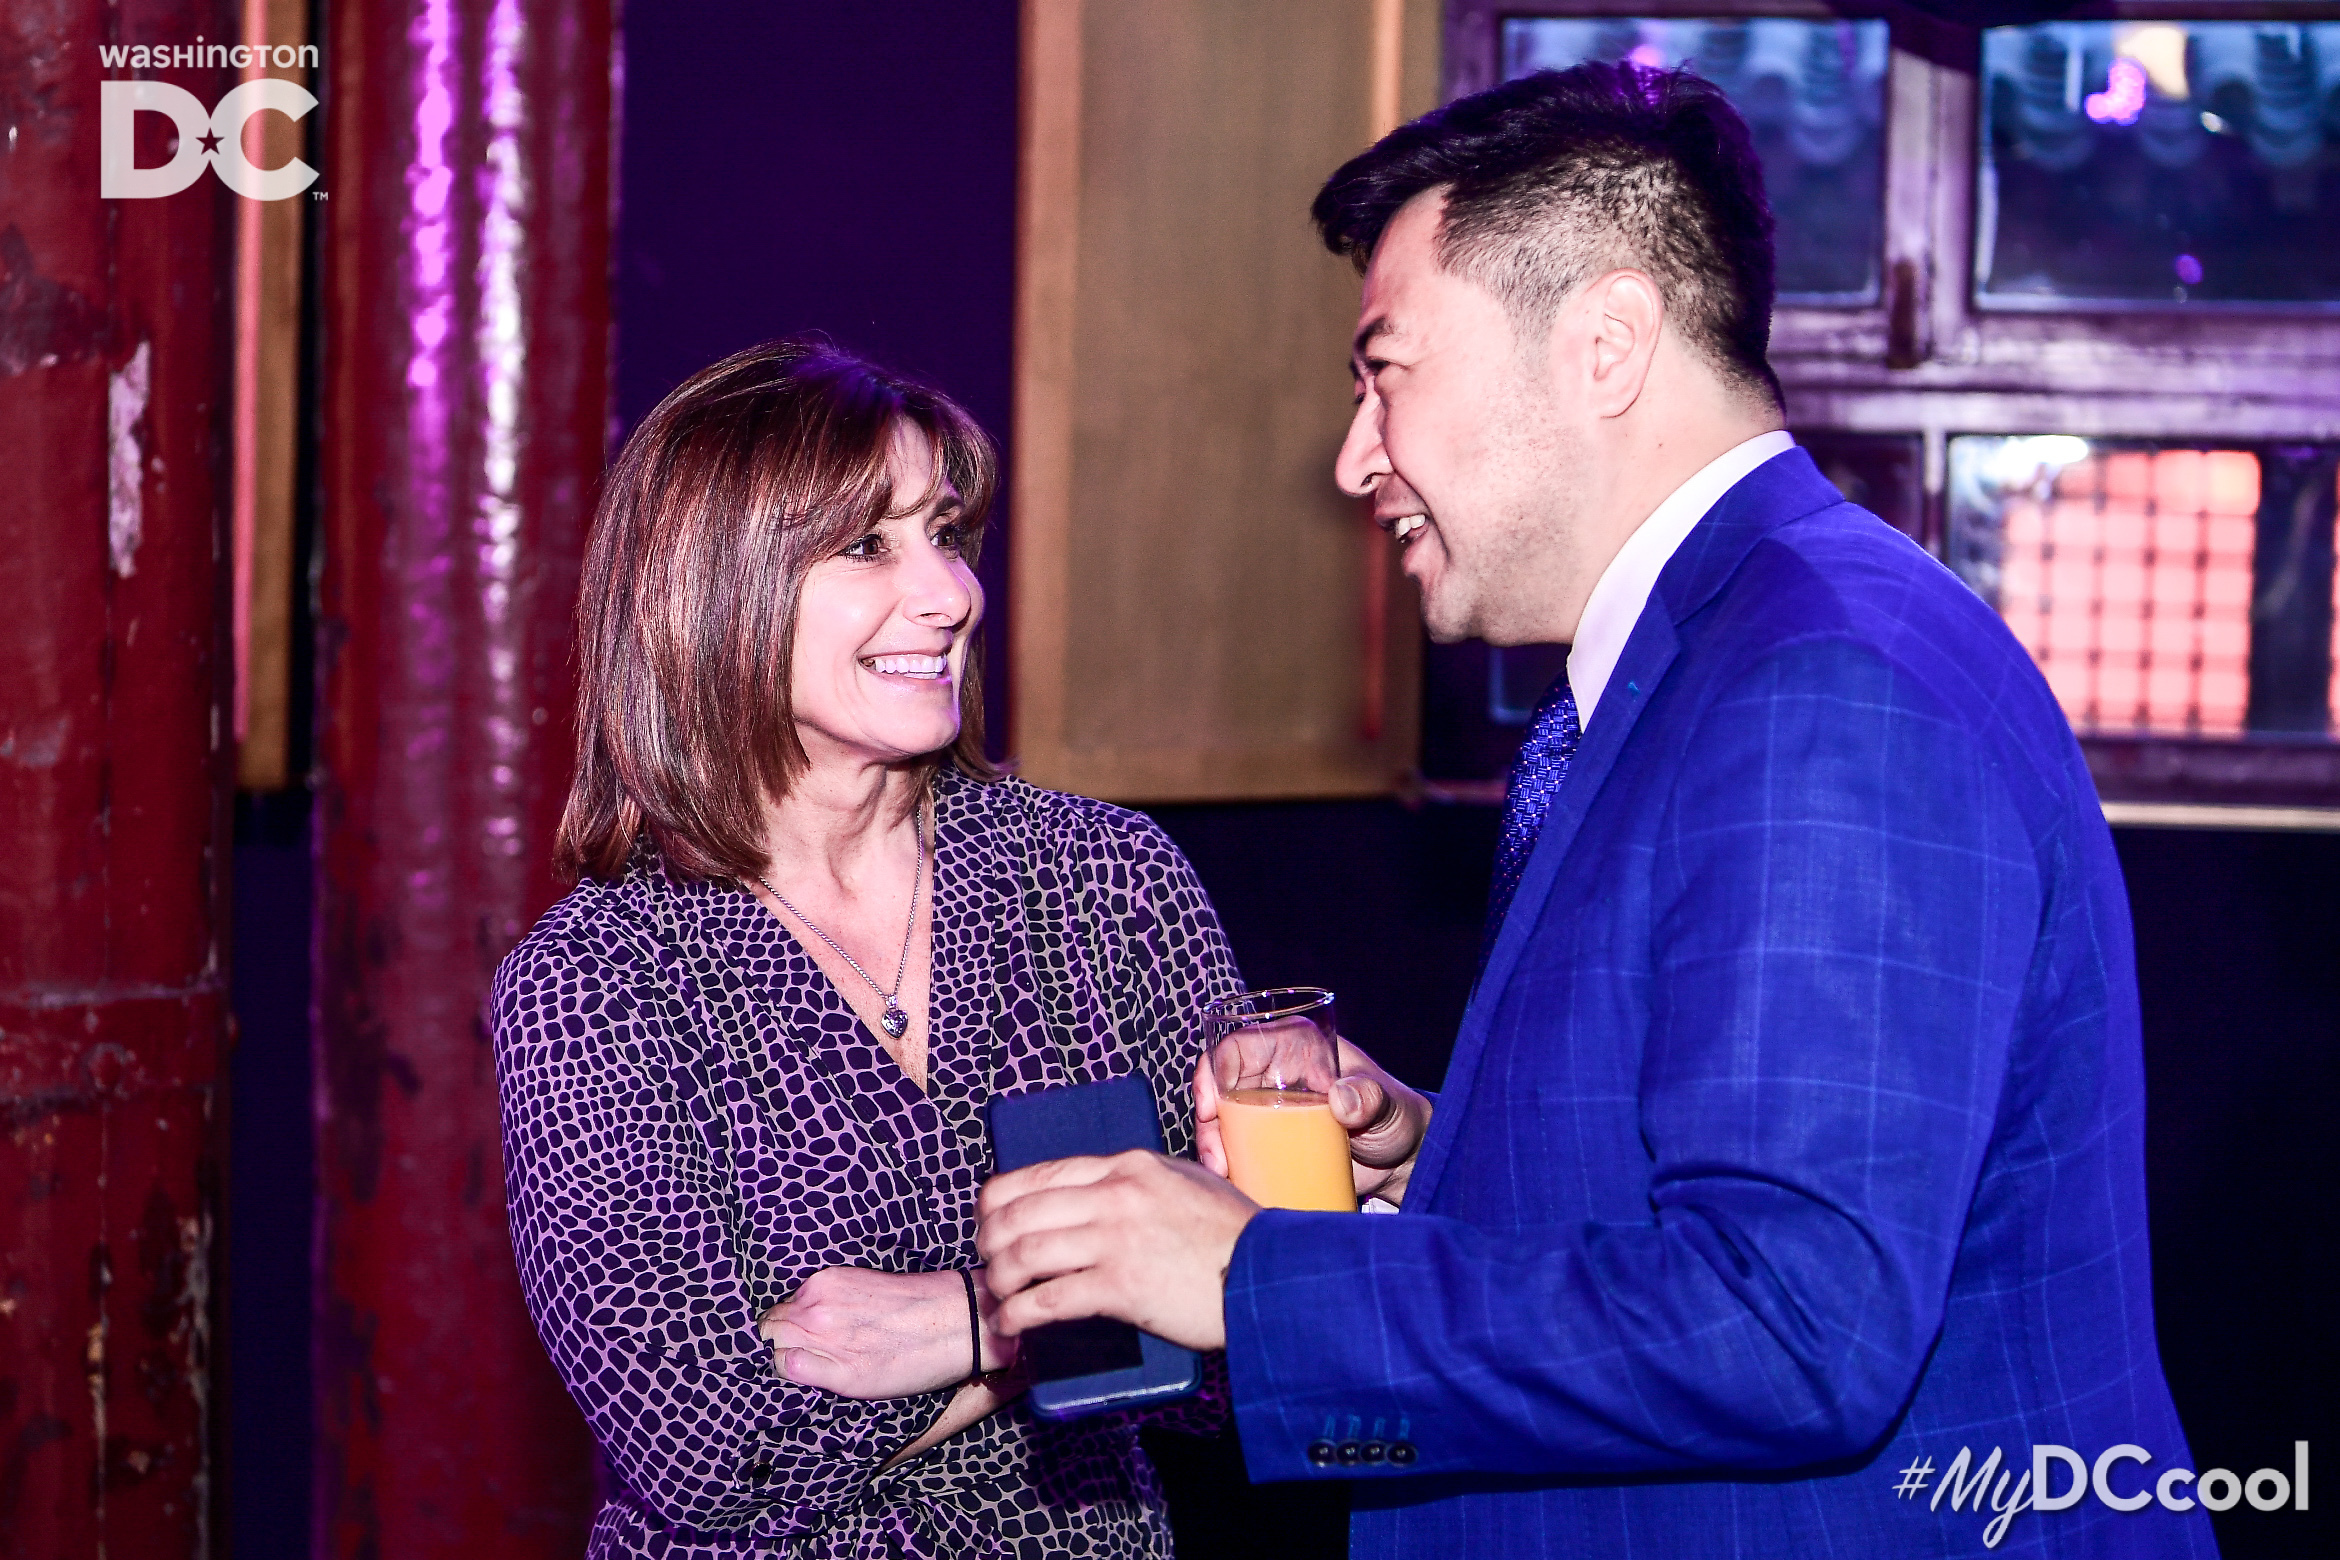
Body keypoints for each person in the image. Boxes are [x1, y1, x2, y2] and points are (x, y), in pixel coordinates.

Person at [976, 64, 2216, 1557]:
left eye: (1385, 372)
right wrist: (1442, 1157)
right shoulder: (1726, 654)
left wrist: (1254, 1283)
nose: (1356, 457)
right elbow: (1730, 1183)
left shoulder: (1821, 685)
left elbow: (1795, 1325)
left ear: (1608, 345)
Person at [492, 339, 1237, 1557]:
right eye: (866, 546)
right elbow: (710, 1451)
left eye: (944, 533)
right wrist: (1085, 1317)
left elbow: (1252, 1345)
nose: (950, 594)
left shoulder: (1100, 881)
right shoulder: (603, 980)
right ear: (713, 591)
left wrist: (966, 1320)